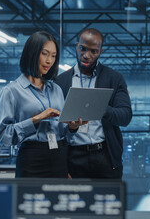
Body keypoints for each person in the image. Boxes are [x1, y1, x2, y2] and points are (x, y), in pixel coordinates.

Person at [0, 31, 87, 178]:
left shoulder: (55, 89)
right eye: (45, 54)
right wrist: (35, 120)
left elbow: (63, 132)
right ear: (32, 53)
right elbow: (0, 135)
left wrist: (72, 127)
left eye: (54, 56)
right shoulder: (12, 91)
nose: (49, 61)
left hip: (58, 156)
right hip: (32, 159)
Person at [56, 28, 132, 179]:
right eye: (82, 49)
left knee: (108, 202)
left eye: (93, 51)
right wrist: (61, 167)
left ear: (100, 52)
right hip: (73, 158)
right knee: (74, 202)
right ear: (76, 46)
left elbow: (125, 116)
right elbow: (55, 126)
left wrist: (99, 107)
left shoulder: (114, 79)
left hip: (105, 156)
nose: (86, 55)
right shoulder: (61, 81)